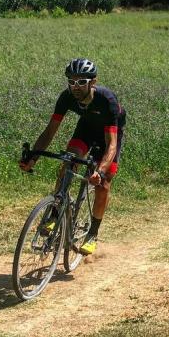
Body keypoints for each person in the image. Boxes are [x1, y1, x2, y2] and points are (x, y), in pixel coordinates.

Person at [19, 58, 126, 255]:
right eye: (71, 81)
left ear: (93, 82)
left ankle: (92, 233)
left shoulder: (107, 100)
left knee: (103, 184)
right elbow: (49, 131)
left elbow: (111, 146)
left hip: (109, 133)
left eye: (81, 82)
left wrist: (100, 172)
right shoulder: (66, 97)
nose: (75, 86)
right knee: (69, 161)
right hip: (86, 128)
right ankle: (54, 213)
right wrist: (33, 156)